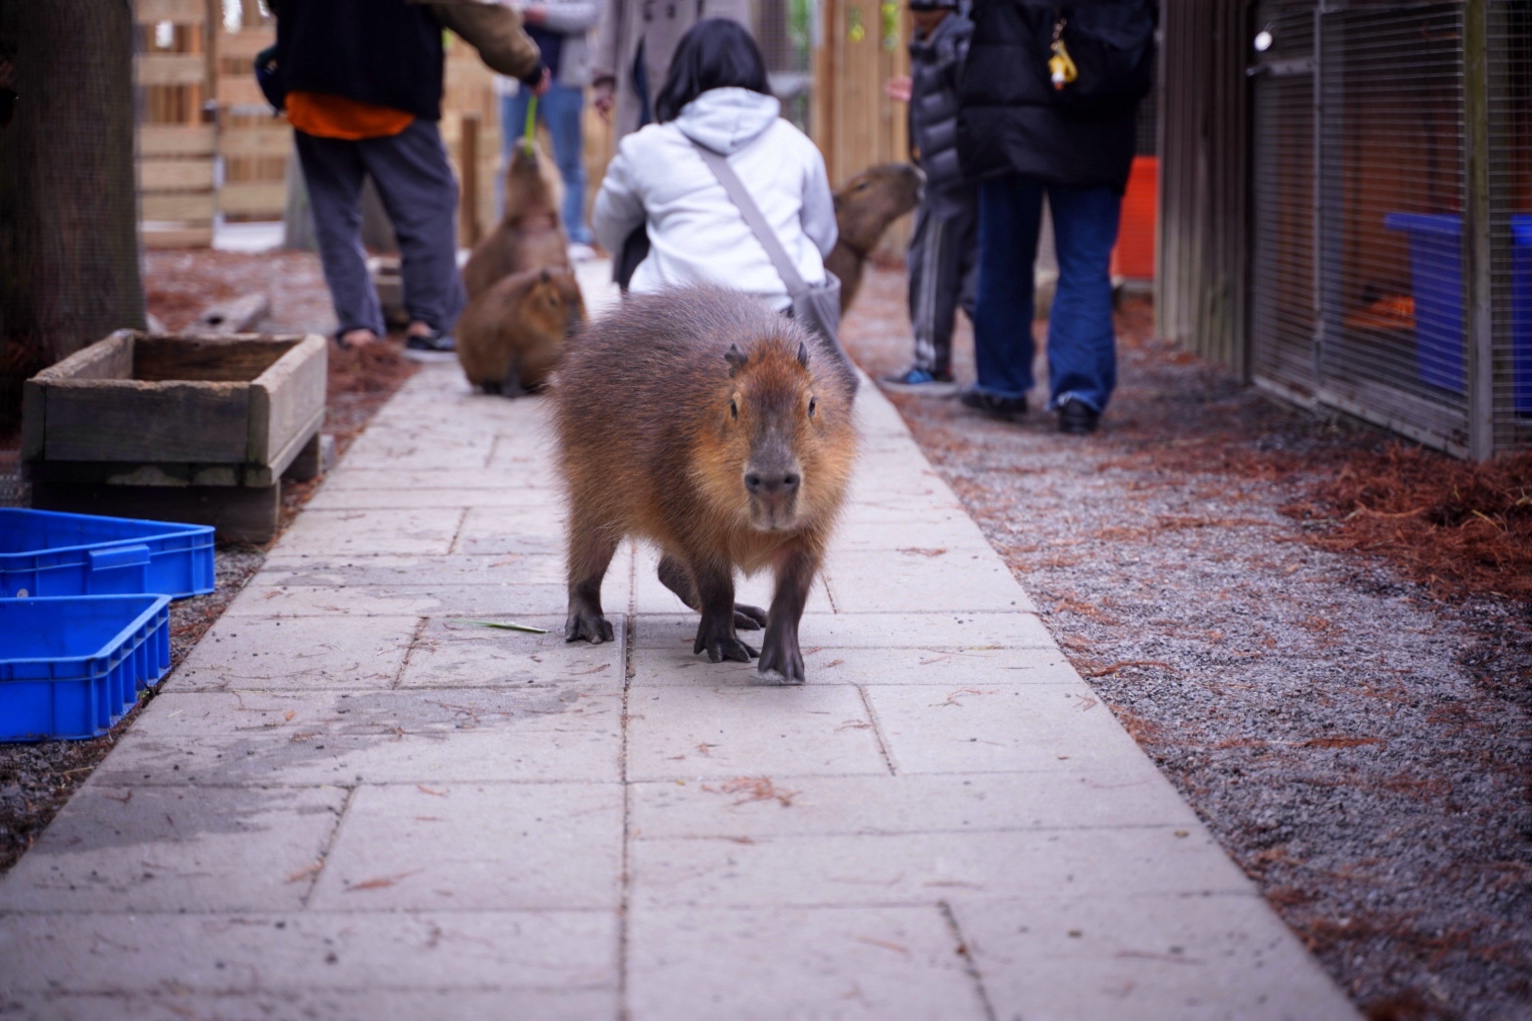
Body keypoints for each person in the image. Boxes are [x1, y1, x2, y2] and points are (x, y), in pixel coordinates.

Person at [270, 0, 549, 357]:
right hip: (390, 82)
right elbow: (472, 9)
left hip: (312, 82)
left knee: (334, 214)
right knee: (429, 203)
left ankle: (357, 328)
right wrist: (526, 64)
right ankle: (429, 321)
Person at [955, 0, 1156, 432]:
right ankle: (1078, 396)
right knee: (1085, 268)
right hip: (1095, 125)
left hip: (1008, 119)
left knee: (1005, 260)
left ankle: (1002, 385)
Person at [591, 18, 836, 312]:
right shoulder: (796, 144)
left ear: (680, 76)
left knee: (633, 229)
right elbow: (821, 236)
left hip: (678, 320)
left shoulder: (647, 146)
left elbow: (608, 231)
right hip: (779, 315)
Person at [880, 0, 977, 394]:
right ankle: (984, 369)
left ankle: (932, 364)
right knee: (957, 268)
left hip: (949, 176)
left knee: (931, 267)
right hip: (943, 170)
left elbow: (968, 99)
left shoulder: (958, 35)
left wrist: (947, 168)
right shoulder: (929, 36)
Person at [497, 0, 601, 257]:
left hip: (563, 79)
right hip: (516, 78)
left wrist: (543, 14)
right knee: (511, 160)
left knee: (569, 160)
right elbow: (492, 11)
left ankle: (573, 235)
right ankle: (506, 233)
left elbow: (590, 14)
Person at [590, 0, 750, 140]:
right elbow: (613, 11)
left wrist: (719, 75)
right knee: (639, 155)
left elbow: (724, 22)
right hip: (637, 70)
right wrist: (605, 76)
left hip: (693, 73)